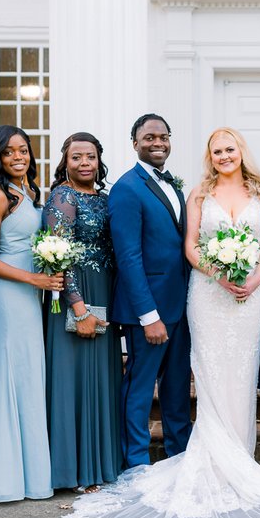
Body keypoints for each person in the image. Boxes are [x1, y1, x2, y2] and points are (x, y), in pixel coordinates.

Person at [37, 128, 260, 518]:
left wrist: (253, 279)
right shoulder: (197, 192)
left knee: (239, 374)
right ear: (209, 156)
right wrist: (219, 271)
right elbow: (190, 246)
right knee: (209, 375)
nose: (224, 155)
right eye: (217, 150)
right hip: (208, 295)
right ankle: (191, 458)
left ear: (241, 152)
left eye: (230, 149)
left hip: (252, 297)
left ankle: (238, 457)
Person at [0, 125, 59, 502]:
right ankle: (7, 478)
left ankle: (33, 474)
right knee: (12, 371)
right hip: (10, 290)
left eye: (24, 150)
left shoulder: (31, 191)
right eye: (9, 152)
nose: (18, 157)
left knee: (29, 373)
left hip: (34, 288)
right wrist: (31, 279)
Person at [108, 113, 192, 468]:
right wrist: (148, 315)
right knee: (141, 388)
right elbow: (128, 257)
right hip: (151, 312)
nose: (158, 143)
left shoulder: (174, 184)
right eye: (149, 137)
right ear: (135, 143)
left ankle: (179, 455)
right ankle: (137, 462)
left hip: (180, 305)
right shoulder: (127, 188)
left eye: (163, 136)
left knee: (176, 389)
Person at [43, 132, 122, 493]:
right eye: (77, 157)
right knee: (74, 378)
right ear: (66, 161)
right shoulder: (62, 196)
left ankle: (100, 466)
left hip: (104, 287)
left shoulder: (105, 198)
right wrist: (78, 305)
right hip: (77, 294)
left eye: (90, 156)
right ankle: (73, 470)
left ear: (99, 159)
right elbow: (60, 253)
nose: (84, 163)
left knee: (101, 377)